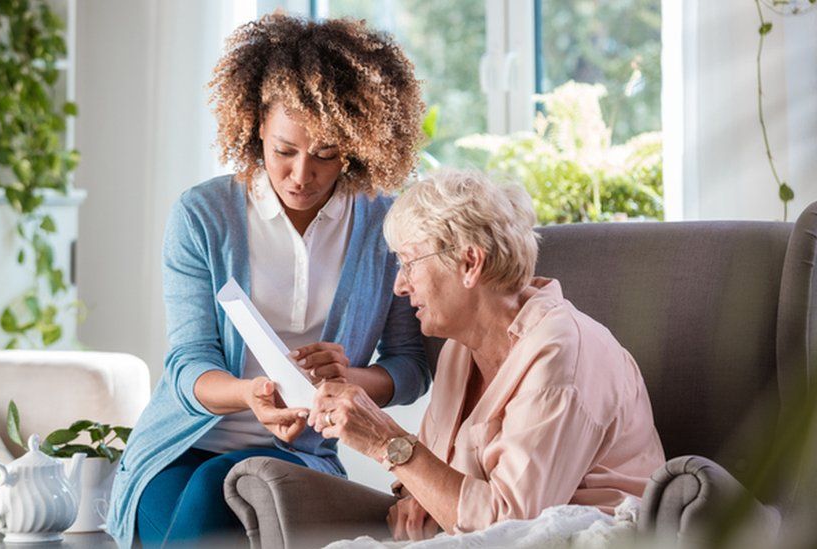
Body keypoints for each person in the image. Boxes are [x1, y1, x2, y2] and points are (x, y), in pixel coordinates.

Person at [106, 13, 431, 548]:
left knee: (223, 485)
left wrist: (349, 381)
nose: (302, 174)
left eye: (326, 154)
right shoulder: (203, 215)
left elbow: (410, 367)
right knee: (202, 500)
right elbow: (188, 363)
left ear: (354, 144)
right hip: (179, 448)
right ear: (256, 124)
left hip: (298, 453)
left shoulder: (383, 227)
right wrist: (249, 395)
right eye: (284, 150)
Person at [309, 169, 666, 541]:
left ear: (469, 263)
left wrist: (386, 441)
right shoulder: (458, 352)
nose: (399, 285)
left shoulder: (561, 353)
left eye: (410, 263)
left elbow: (514, 529)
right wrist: (415, 494)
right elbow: (433, 470)